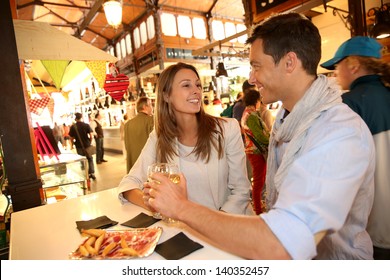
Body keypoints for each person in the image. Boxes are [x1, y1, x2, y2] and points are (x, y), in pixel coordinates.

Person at [143, 13, 376, 260]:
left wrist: (181, 207)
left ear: (289, 63)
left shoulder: (338, 132)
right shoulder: (287, 120)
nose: (251, 78)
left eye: (256, 66)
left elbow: (282, 244)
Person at [118, 62, 252, 215]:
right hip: (183, 230)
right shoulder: (160, 136)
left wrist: (214, 224)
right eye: (186, 85)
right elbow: (128, 184)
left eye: (197, 85)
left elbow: (241, 190)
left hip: (225, 225)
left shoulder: (227, 129)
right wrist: (153, 204)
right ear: (166, 95)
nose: (196, 91)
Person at [320, 36, 390, 260]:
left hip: (374, 224)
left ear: (353, 65)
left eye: (337, 66)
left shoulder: (347, 105)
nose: (335, 73)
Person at [241, 89, 270, 215]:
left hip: (253, 150)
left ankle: (258, 207)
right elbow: (259, 135)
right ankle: (258, 210)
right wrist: (271, 139)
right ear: (256, 101)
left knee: (259, 180)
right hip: (255, 151)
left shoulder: (248, 112)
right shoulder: (251, 115)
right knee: (259, 181)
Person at [123, 97, 154, 173]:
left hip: (133, 164)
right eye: (150, 105)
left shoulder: (127, 124)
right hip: (148, 165)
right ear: (144, 107)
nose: (152, 108)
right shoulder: (151, 121)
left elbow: (127, 146)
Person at [69, 112, 96, 180]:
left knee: (82, 160)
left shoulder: (73, 127)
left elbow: (71, 138)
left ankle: (84, 174)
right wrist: (89, 141)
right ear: (81, 117)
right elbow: (91, 135)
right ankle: (91, 173)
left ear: (75, 118)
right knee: (90, 159)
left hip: (78, 145)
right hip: (87, 145)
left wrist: (71, 145)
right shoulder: (86, 125)